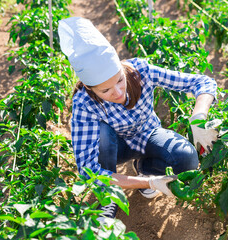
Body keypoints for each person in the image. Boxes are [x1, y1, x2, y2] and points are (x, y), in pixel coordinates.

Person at [58, 17, 218, 220]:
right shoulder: (84, 103)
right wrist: (149, 184)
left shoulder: (140, 71)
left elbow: (202, 82)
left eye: (119, 80)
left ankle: (146, 168)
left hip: (147, 134)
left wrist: (198, 117)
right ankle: (109, 197)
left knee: (187, 158)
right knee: (104, 133)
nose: (117, 92)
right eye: (106, 90)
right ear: (90, 88)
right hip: (112, 150)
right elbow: (88, 170)